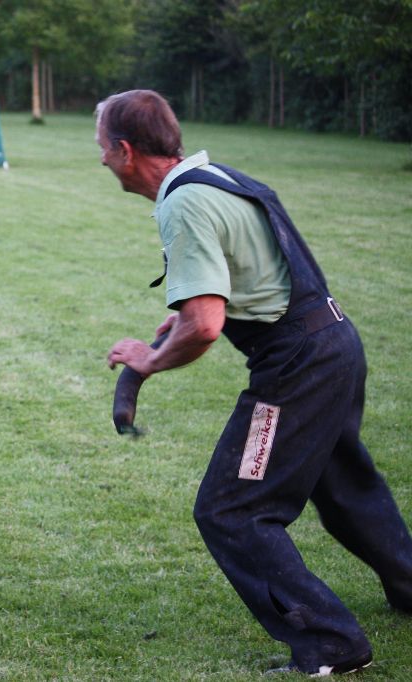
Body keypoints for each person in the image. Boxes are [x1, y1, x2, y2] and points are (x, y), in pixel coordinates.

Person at [96, 89, 412, 676]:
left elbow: (207, 324)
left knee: (232, 510)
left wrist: (149, 360)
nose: (102, 162)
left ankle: (333, 645)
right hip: (335, 342)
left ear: (125, 149)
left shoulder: (183, 202)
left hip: (299, 369)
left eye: (102, 150)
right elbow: (249, 274)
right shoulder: (216, 176)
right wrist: (203, 307)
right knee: (343, 484)